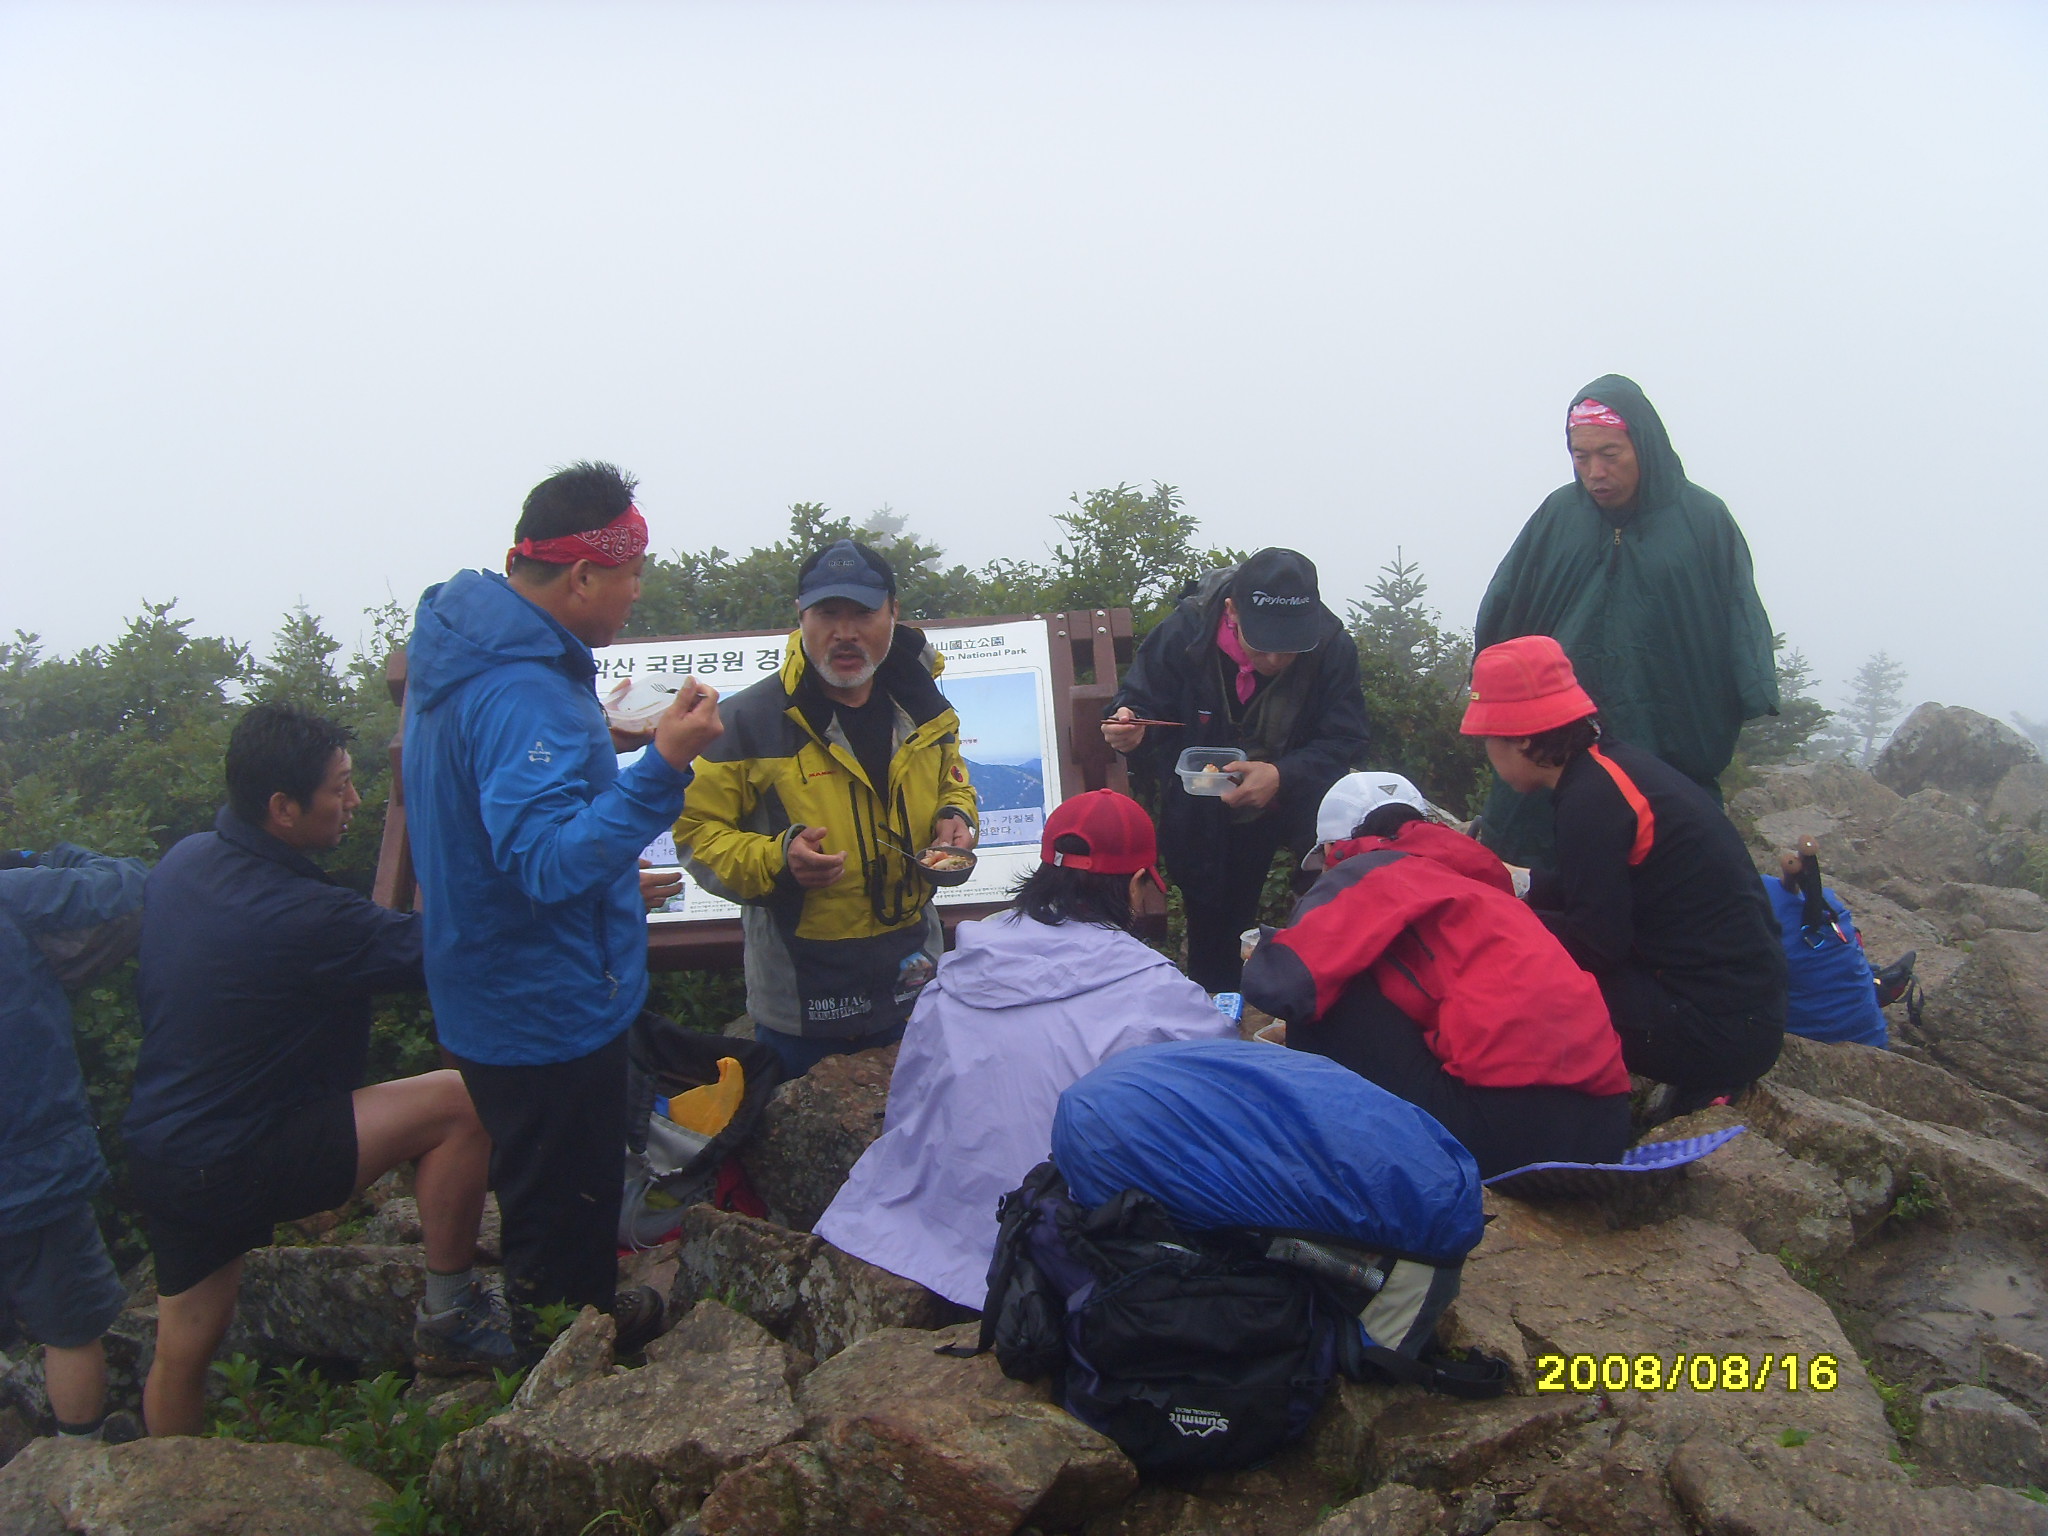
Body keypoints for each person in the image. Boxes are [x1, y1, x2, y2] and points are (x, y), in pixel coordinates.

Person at [126, 704, 515, 1437]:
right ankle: (451, 1314)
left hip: (166, 1152)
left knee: (184, 1346)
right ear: (281, 807)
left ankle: (160, 1488)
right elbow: (451, 950)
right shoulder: (300, 915)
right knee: (462, 1103)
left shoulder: (184, 863)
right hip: (251, 1149)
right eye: (339, 786)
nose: (356, 800)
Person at [402, 462, 724, 1346]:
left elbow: (499, 809)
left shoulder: (482, 650)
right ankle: (564, 1375)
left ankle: (576, 1314)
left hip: (493, 984)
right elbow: (543, 862)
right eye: (630, 574)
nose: (636, 592)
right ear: (583, 576)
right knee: (560, 1209)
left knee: (554, 1190)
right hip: (542, 1006)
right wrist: (662, 763)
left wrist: (607, 741)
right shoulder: (524, 690)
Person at [814, 789, 1236, 1306]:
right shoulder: (1155, 991)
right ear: (1134, 883)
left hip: (924, 1223)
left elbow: (908, 1105)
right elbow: (1226, 1087)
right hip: (1056, 1247)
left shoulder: (963, 966)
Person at [675, 538, 978, 1078]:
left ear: (893, 614)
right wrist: (778, 859)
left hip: (913, 971)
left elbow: (954, 782)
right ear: (800, 616)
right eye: (827, 613)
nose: (845, 632)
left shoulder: (924, 708)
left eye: (862, 613)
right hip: (802, 996)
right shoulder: (747, 721)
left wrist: (957, 818)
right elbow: (698, 833)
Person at [1241, 772, 1632, 1178]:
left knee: (1327, 999)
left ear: (1333, 848)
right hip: (1605, 1127)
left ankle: (1328, 1164)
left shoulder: (1366, 869)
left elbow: (1285, 982)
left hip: (1511, 1136)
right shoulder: (1472, 881)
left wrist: (1266, 951)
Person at [1461, 636, 1787, 1114]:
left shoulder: (1591, 801)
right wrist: (1517, 882)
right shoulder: (1608, 771)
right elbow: (1604, 894)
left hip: (1716, 1031)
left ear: (1523, 738)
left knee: (1518, 972)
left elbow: (1598, 943)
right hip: (1746, 1014)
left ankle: (1557, 1117)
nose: (1487, 750)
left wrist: (1487, 915)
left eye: (1488, 736)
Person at [1473, 376, 1779, 866]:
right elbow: (1506, 608)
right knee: (1539, 868)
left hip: (1665, 732)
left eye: (1610, 454)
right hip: (1553, 737)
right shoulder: (1558, 515)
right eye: (1581, 456)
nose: (1595, 471)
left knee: (1655, 869)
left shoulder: (1702, 521)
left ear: (1645, 445)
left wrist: (1751, 690)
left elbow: (1740, 616)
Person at [1102, 548, 1370, 992]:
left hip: (1294, 806)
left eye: (1291, 646)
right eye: (1264, 643)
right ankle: (1214, 1002)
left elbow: (1345, 739)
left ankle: (1314, 997)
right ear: (1231, 611)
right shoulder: (1187, 631)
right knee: (1210, 913)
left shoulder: (1330, 646)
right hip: (1198, 804)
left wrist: (1282, 775)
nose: (1277, 661)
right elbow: (1140, 699)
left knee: (1324, 905)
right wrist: (1129, 723)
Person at [1, 843, 147, 1444]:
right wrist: (52, 855)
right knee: (71, 1329)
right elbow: (129, 882)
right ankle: (77, 1467)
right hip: (34, 1173)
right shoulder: (15, 891)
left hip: (33, 1169)